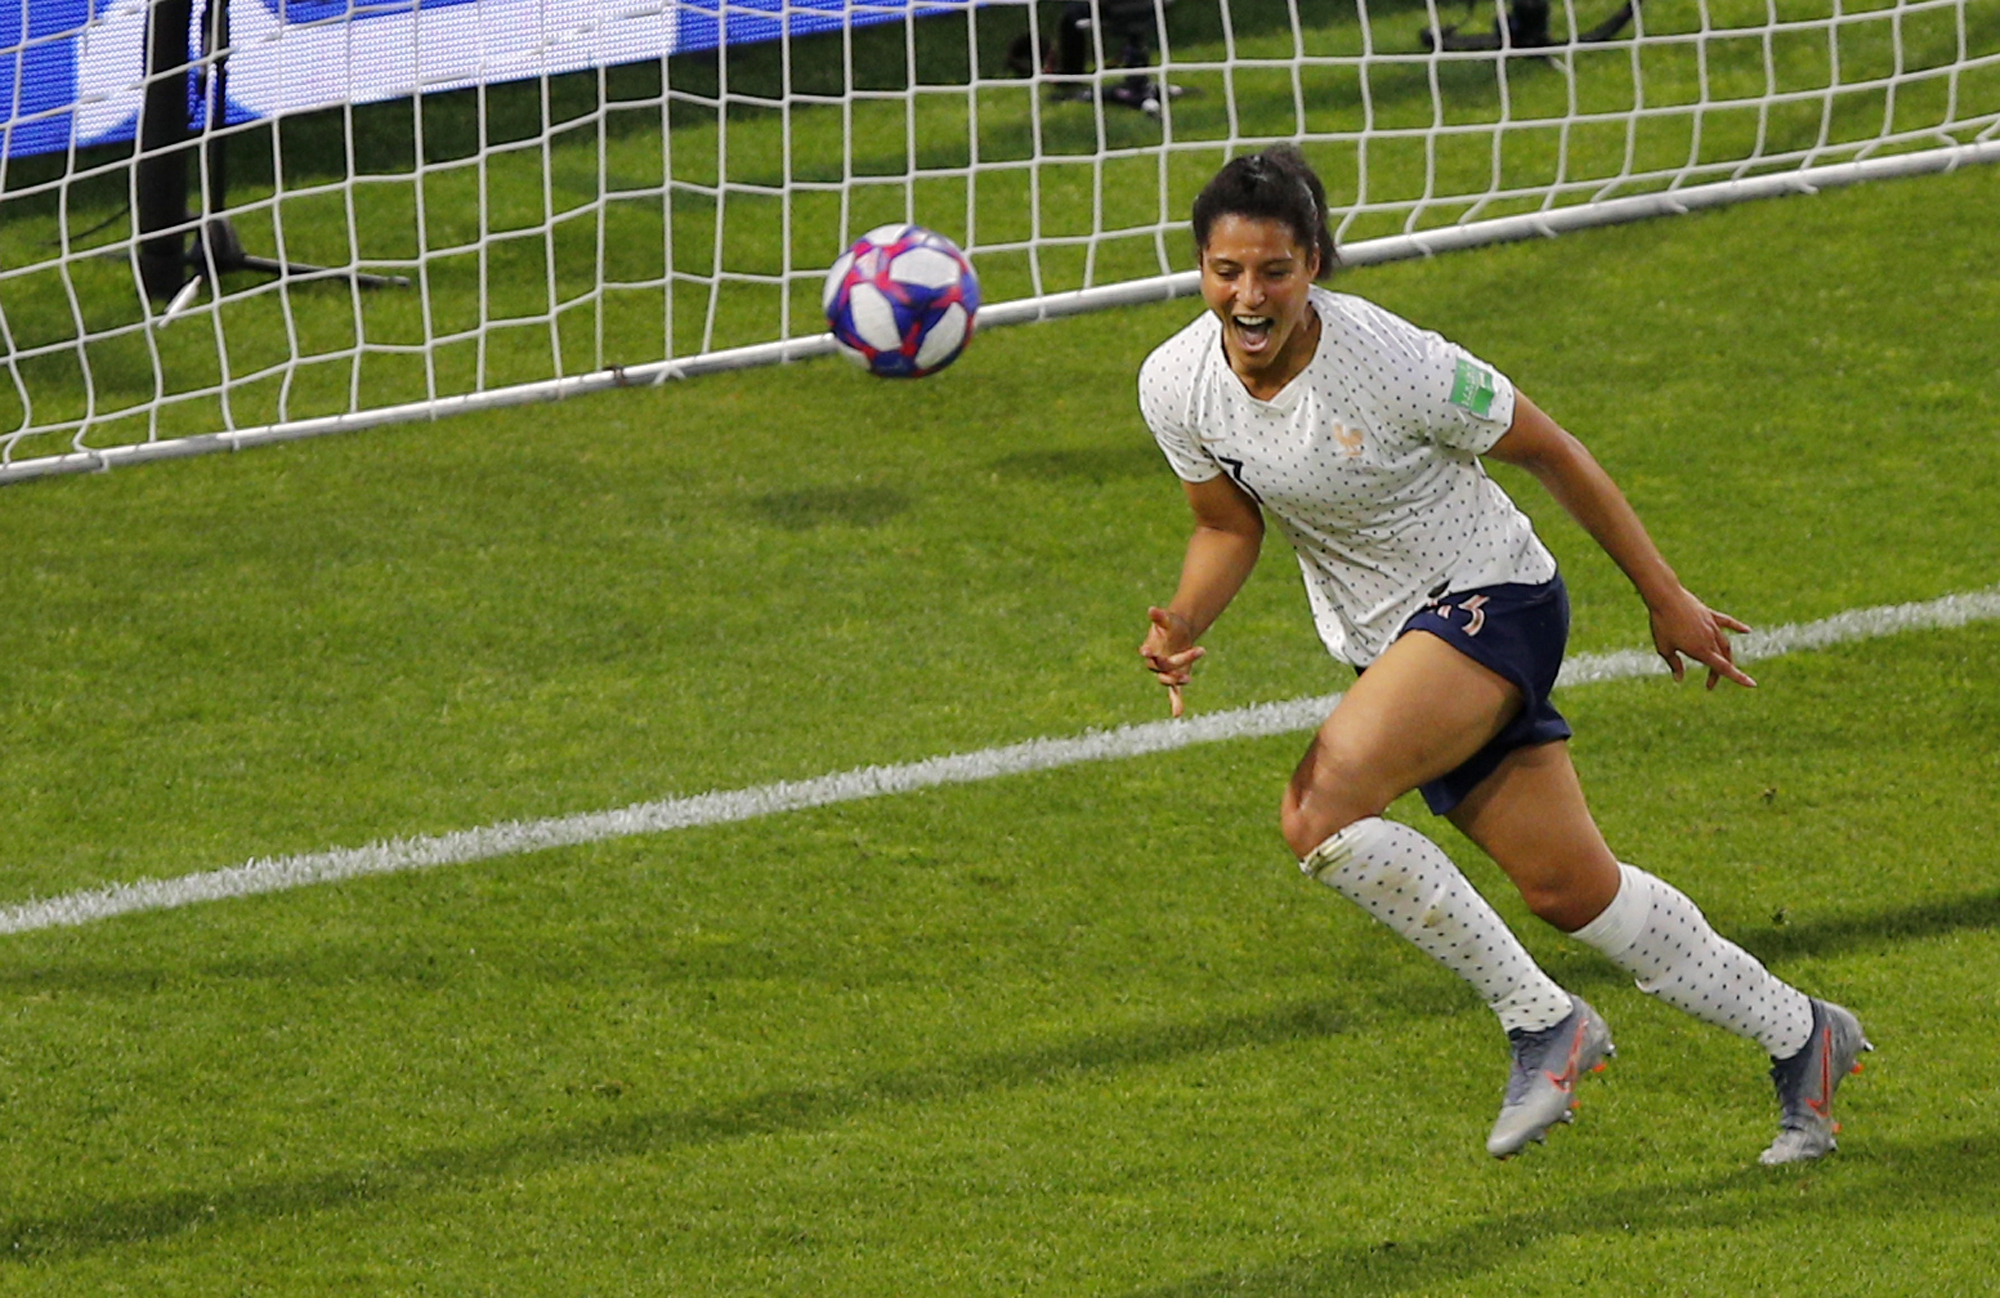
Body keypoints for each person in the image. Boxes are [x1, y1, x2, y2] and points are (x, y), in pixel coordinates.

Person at [1136, 143, 1870, 1163]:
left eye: (1274, 269)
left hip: (1489, 600)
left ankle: (1541, 1021)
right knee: (1572, 890)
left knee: (1318, 809)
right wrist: (1181, 621)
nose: (1248, 295)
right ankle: (1803, 1036)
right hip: (1391, 642)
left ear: (1314, 265)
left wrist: (1665, 597)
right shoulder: (1176, 382)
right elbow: (1227, 527)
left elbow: (1550, 449)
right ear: (1200, 269)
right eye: (1226, 271)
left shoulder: (1393, 362)